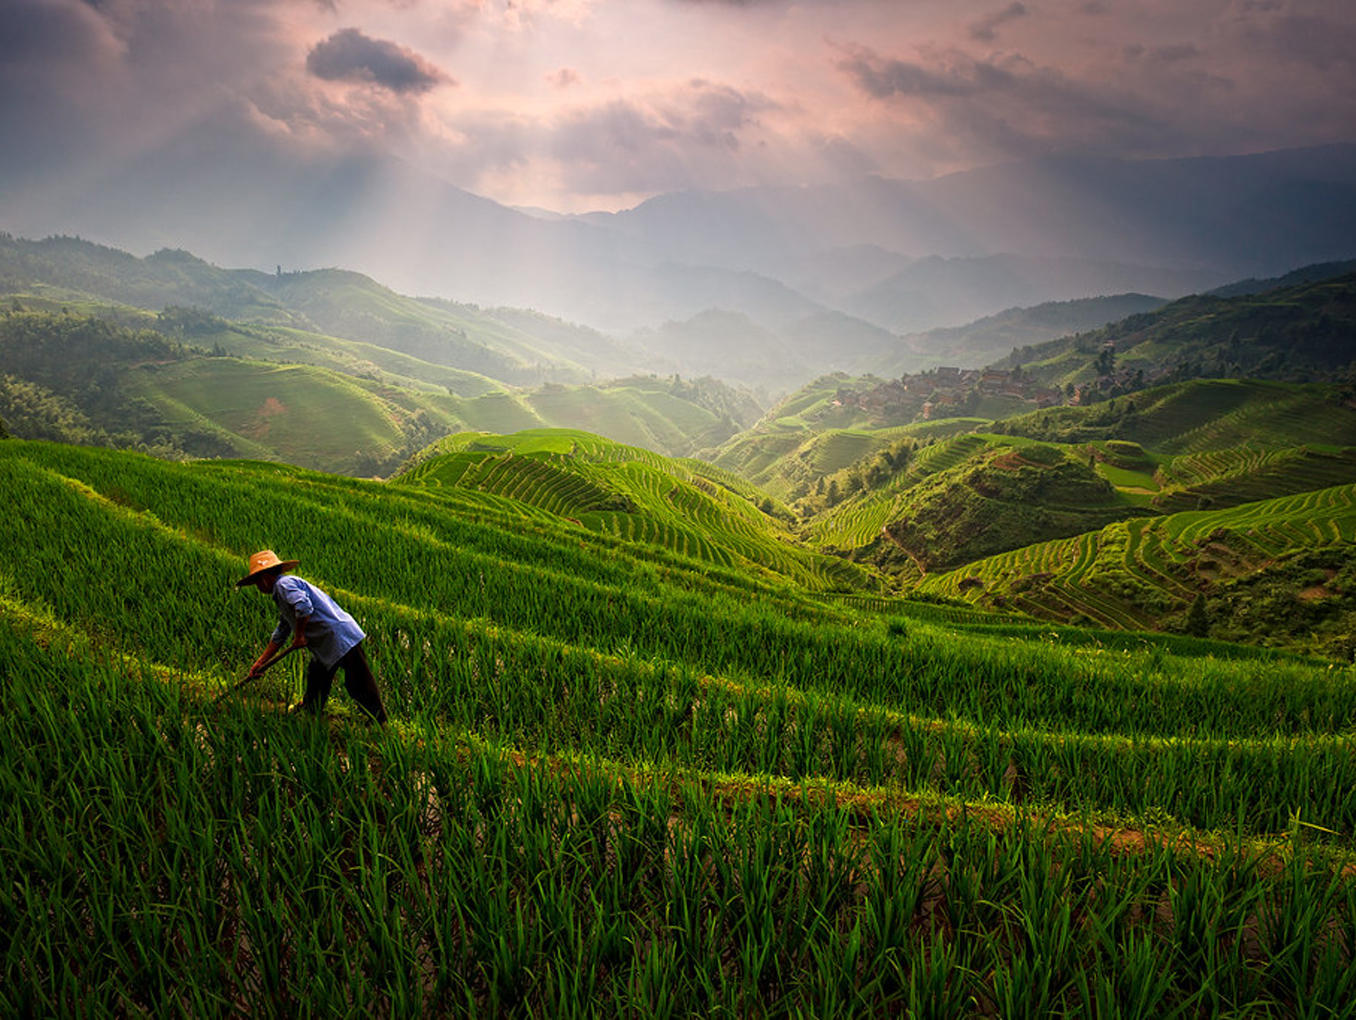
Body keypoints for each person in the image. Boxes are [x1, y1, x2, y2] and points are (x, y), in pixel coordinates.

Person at [237, 550, 388, 724]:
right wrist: (261, 663)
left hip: (338, 636)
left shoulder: (283, 585)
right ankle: (311, 709)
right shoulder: (281, 593)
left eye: (257, 582)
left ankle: (379, 720)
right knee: (317, 674)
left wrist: (299, 635)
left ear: (265, 577)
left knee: (357, 680)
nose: (258, 587)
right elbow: (281, 633)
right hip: (326, 641)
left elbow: (303, 606)